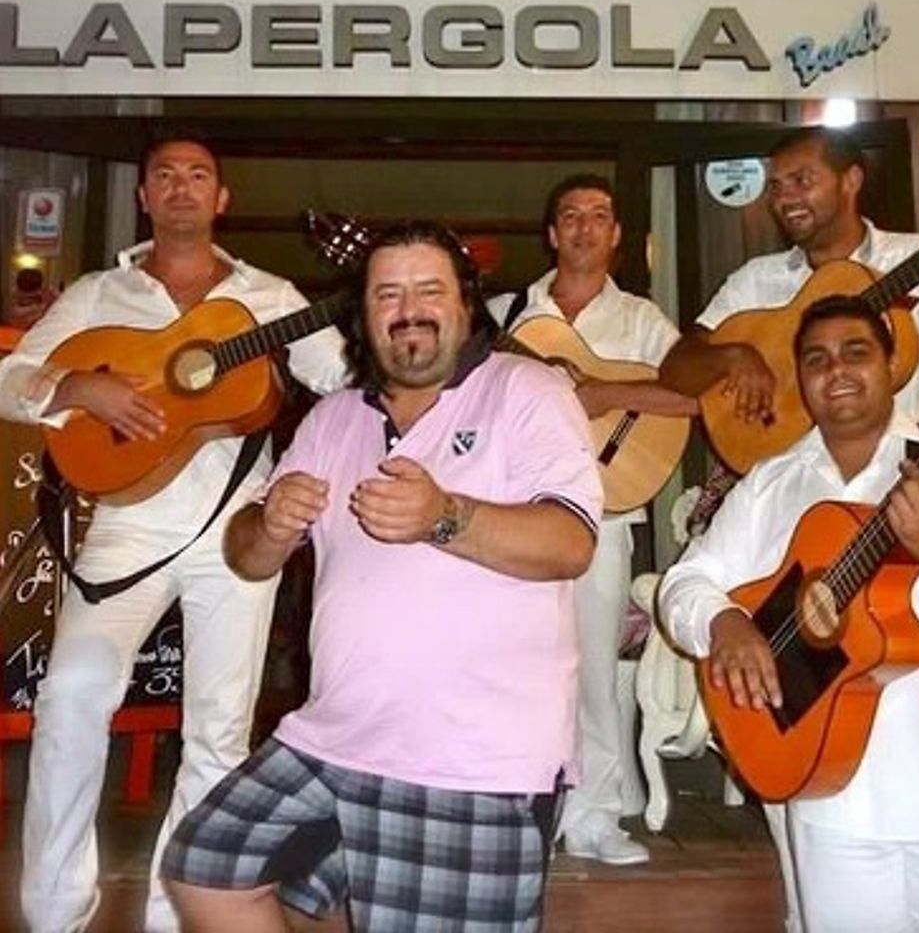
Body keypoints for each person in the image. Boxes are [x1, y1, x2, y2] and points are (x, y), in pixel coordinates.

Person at [162, 221, 604, 932]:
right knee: (208, 868)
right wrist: (269, 525)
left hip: (473, 764)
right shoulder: (334, 416)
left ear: (466, 304)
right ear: (362, 316)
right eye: (387, 294)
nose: (409, 310)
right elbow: (247, 557)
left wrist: (444, 516)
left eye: (430, 290)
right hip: (333, 740)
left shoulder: (528, 391)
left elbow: (571, 542)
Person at [657, 127, 919, 930]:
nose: (835, 373)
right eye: (816, 360)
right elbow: (687, 583)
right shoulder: (773, 481)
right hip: (829, 796)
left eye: (856, 352)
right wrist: (724, 625)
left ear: (893, 363)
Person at [0, 131, 348, 933]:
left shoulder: (270, 297)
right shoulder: (100, 292)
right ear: (144, 196)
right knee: (71, 697)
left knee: (219, 731)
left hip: (240, 529)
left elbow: (342, 377)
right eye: (166, 175)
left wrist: (377, 320)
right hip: (126, 524)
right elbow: (11, 378)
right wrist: (79, 387)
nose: (182, 187)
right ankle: (54, 914)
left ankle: (177, 917)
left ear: (221, 198)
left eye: (198, 175)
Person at [488, 174, 696, 865]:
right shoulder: (507, 315)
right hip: (512, 512)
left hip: (602, 513)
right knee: (512, 663)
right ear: (552, 233)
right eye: (570, 215)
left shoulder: (641, 319)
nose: (583, 227)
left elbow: (695, 398)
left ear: (617, 234)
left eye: (598, 215)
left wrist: (606, 391)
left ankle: (596, 816)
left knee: (594, 668)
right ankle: (520, 811)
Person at [659, 125, 919, 431]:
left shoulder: (913, 257)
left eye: (801, 181)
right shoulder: (755, 280)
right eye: (776, 186)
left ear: (851, 181)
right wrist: (732, 356)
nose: (785, 199)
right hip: (785, 479)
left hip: (899, 474)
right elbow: (676, 369)